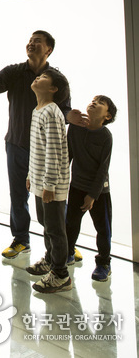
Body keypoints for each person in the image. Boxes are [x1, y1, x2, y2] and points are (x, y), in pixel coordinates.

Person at [0, 30, 71, 259]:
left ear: (48, 49)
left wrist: (77, 122)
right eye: (30, 41)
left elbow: (65, 110)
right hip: (17, 144)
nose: (31, 44)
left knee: (54, 201)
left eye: (37, 42)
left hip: (45, 149)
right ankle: (21, 240)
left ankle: (64, 243)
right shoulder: (15, 71)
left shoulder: (55, 79)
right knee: (18, 195)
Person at [25, 68, 71, 293]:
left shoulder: (51, 112)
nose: (37, 77)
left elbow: (53, 152)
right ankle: (51, 260)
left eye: (43, 77)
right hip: (40, 181)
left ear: (53, 89)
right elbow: (37, 150)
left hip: (50, 184)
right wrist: (30, 176)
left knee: (54, 228)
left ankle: (61, 274)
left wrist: (49, 185)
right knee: (47, 225)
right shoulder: (38, 110)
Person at [65, 95, 116, 282]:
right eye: (93, 100)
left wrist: (92, 195)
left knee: (103, 229)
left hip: (99, 191)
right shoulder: (75, 128)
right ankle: (68, 254)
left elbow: (103, 169)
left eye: (100, 102)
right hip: (77, 186)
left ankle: (103, 263)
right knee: (70, 224)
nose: (94, 102)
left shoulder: (105, 136)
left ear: (107, 116)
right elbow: (67, 156)